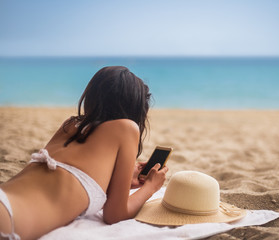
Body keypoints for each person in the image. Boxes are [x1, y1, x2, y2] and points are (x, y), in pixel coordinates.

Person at [0, 66, 169, 240]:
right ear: (135, 108)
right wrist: (150, 187)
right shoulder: (127, 128)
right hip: (8, 219)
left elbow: (70, 173)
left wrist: (121, 179)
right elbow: (115, 215)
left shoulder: (70, 126)